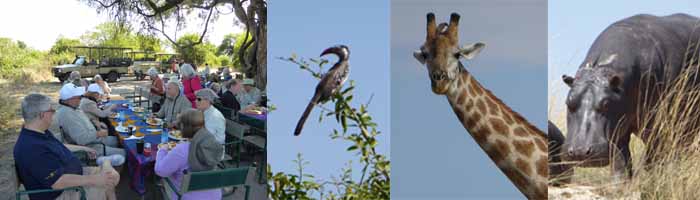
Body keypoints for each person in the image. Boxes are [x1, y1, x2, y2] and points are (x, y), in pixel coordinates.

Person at [14, 93, 121, 200]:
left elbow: (58, 146)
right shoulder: (31, 148)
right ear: (42, 115)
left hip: (73, 175)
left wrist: (84, 148)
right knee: (108, 181)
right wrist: (94, 180)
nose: (53, 113)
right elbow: (58, 182)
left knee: (111, 176)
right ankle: (106, 164)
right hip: (62, 193)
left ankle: (105, 164)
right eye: (51, 110)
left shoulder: (39, 132)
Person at [155, 110, 222, 200]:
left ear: (182, 126)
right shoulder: (212, 142)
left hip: (186, 196)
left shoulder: (182, 150)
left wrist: (162, 150)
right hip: (215, 196)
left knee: (163, 179)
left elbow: (160, 171)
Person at [50, 83, 126, 158]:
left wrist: (94, 121)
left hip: (93, 139)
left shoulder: (72, 107)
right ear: (70, 99)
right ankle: (114, 167)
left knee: (119, 141)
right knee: (125, 153)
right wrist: (98, 134)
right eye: (79, 97)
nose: (81, 99)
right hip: (89, 148)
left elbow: (83, 119)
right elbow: (81, 139)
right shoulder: (67, 114)